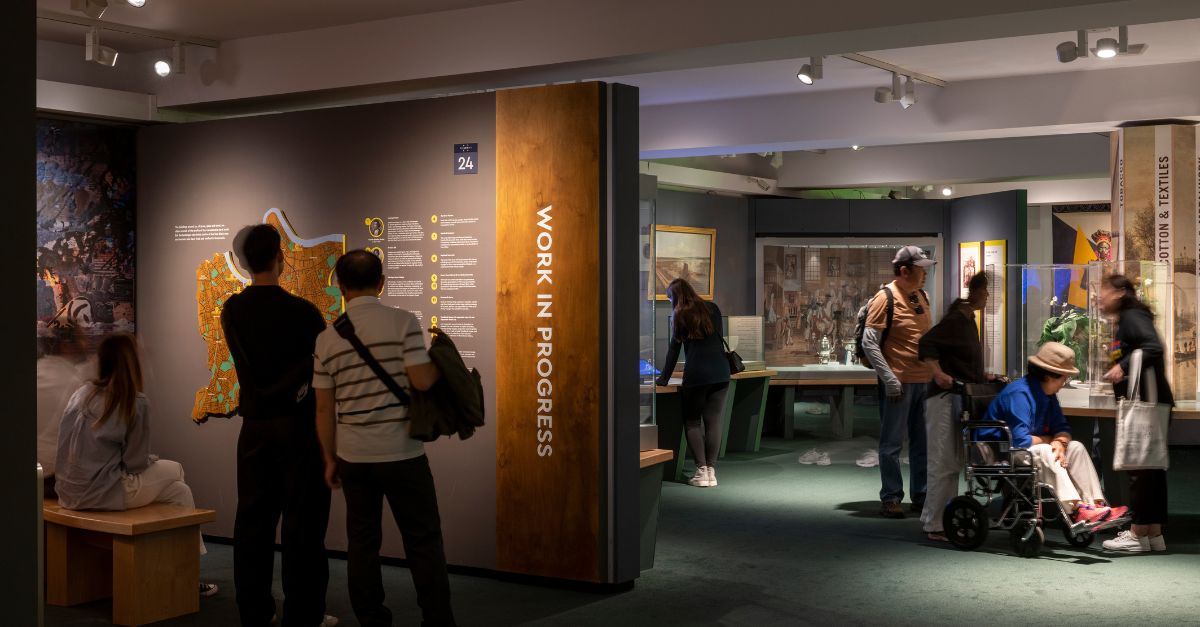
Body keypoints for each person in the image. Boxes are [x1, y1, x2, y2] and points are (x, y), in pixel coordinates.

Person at [313, 250, 457, 627]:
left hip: (354, 456)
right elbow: (421, 380)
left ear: (340, 287)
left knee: (362, 543)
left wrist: (329, 459)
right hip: (402, 452)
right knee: (423, 540)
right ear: (381, 283)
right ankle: (437, 620)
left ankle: (372, 619)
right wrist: (444, 365)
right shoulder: (403, 322)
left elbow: (324, 409)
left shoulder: (326, 338)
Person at [220, 224, 336, 627]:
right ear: (280, 259)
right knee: (303, 524)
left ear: (244, 262)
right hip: (298, 429)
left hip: (254, 428)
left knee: (252, 523)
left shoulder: (232, 311)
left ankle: (254, 611)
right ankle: (304, 613)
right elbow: (319, 374)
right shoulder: (304, 313)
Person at [54, 333, 217, 597]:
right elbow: (135, 464)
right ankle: (188, 572)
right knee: (176, 469)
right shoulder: (135, 401)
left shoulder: (82, 393)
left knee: (179, 491)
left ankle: (186, 572)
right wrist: (152, 460)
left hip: (69, 492)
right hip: (105, 491)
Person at [982, 342, 1126, 523]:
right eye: (1063, 379)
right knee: (1047, 450)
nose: (1063, 384)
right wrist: (1052, 440)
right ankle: (1076, 509)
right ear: (1049, 376)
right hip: (1001, 450)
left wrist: (1061, 441)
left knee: (1076, 447)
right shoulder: (1018, 394)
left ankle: (1095, 504)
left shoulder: (1048, 394)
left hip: (1028, 447)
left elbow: (1062, 428)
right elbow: (1020, 440)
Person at [1099, 274, 1172, 553]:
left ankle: (1137, 533)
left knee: (1140, 468)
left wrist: (1122, 366)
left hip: (1145, 404)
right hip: (1152, 403)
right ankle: (1154, 533)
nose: (1099, 297)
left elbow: (1152, 346)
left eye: (1104, 291)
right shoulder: (1131, 316)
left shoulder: (1131, 316)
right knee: (1151, 468)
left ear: (1120, 293)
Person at [861, 245, 934, 518]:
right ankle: (891, 497)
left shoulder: (921, 296)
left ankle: (921, 495)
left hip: (923, 381)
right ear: (904, 270)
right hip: (899, 383)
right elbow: (869, 343)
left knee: (922, 443)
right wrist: (890, 379)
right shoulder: (885, 298)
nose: (925, 274)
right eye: (920, 270)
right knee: (891, 443)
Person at [917, 272, 989, 541]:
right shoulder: (957, 320)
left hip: (957, 398)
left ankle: (937, 517)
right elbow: (926, 343)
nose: (989, 297)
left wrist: (982, 377)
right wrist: (937, 373)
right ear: (977, 292)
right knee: (943, 461)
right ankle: (935, 524)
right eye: (986, 291)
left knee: (951, 462)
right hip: (943, 399)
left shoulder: (969, 321)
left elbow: (963, 359)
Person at [655, 278, 731, 488]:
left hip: (697, 375)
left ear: (675, 297)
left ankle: (701, 471)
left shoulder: (680, 314)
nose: (670, 302)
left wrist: (663, 378)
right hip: (721, 372)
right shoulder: (712, 308)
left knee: (692, 422)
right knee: (714, 422)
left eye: (669, 298)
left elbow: (674, 350)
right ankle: (712, 472)